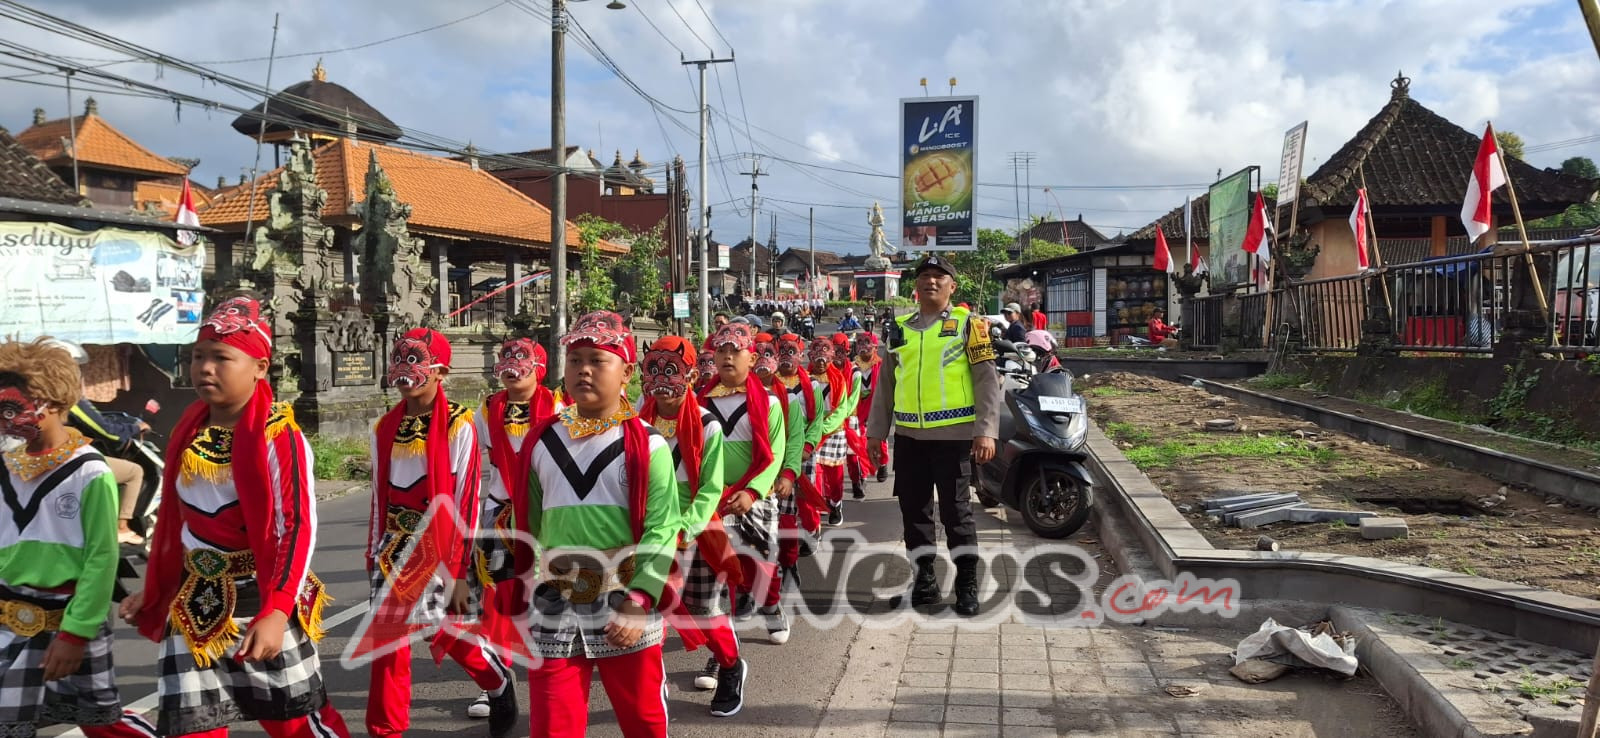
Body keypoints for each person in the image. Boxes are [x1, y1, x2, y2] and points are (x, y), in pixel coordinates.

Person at [121, 296, 351, 737]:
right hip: (194, 604)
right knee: (192, 728)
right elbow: (178, 525)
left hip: (259, 598)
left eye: (221, 358)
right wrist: (155, 589)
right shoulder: (190, 428)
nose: (205, 368)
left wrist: (278, 611)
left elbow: (296, 528)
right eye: (198, 357)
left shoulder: (278, 434)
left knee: (294, 724)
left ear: (260, 367)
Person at [506, 311, 679, 737]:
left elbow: (663, 527)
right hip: (554, 599)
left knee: (643, 721)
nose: (583, 369)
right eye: (574, 359)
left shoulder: (647, 444)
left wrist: (640, 599)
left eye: (598, 360)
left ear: (627, 373)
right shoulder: (541, 439)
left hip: (624, 597)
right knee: (551, 725)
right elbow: (526, 522)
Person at [0, 338, 155, 738]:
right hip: (7, 614)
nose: (3, 417)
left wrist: (75, 634)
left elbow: (101, 559)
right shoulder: (5, 467)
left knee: (101, 726)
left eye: (11, 406)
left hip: (69, 618)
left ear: (50, 404)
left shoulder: (89, 472)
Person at [365, 328, 516, 738]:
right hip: (393, 547)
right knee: (388, 647)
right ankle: (385, 730)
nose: (404, 370)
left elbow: (465, 499)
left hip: (441, 547)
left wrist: (454, 565)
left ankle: (497, 682)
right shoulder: (383, 427)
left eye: (415, 360)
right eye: (399, 358)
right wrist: (372, 553)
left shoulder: (458, 424)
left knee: (451, 636)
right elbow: (380, 499)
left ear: (440, 371)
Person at [866, 254, 1001, 617]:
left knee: (957, 514)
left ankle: (967, 585)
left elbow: (987, 380)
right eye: (925, 276)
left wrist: (986, 431)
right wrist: (876, 434)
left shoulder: (970, 325)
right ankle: (924, 582)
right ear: (916, 285)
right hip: (909, 438)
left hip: (955, 438)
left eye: (939, 277)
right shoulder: (900, 328)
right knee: (914, 512)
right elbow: (886, 384)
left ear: (952, 286)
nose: (931, 281)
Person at [637, 335, 739, 693]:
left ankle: (730, 664)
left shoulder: (708, 424)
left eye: (672, 371)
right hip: (650, 526)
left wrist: (684, 528)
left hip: (693, 526)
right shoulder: (637, 420)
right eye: (654, 370)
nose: (662, 383)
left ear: (691, 375)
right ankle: (652, 683)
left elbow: (711, 488)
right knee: (650, 606)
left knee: (702, 610)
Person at [694, 322, 786, 714]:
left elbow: (775, 454)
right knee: (715, 583)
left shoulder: (770, 402)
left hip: (752, 500)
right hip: (712, 504)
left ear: (753, 357)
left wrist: (751, 492)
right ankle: (723, 654)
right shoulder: (697, 403)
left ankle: (770, 604)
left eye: (736, 350)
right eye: (721, 350)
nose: (727, 357)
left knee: (756, 572)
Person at [468, 337, 557, 719]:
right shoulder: (487, 409)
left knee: (551, 594)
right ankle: (498, 678)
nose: (511, 364)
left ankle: (558, 672)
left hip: (547, 512)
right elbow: (476, 464)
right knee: (497, 597)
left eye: (521, 357)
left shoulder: (558, 405)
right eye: (506, 357)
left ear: (538, 366)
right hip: (501, 512)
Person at [67, 393, 149, 545]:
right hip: (65, 458)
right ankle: (121, 528)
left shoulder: (34, 398)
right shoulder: (68, 398)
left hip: (35, 461)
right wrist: (135, 428)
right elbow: (106, 431)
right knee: (134, 472)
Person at [807, 335, 861, 525]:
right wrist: (812, 429)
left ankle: (836, 503)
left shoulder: (839, 380)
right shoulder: (805, 380)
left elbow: (841, 410)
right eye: (817, 358)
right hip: (812, 432)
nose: (821, 363)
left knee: (835, 473)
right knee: (815, 471)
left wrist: (824, 427)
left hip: (833, 430)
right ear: (810, 357)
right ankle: (819, 504)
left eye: (824, 358)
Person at [851, 332, 890, 485]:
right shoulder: (853, 366)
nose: (862, 347)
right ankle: (863, 472)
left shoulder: (881, 365)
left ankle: (883, 463)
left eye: (866, 343)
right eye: (859, 343)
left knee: (880, 439)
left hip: (876, 408)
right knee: (858, 441)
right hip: (858, 409)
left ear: (874, 346)